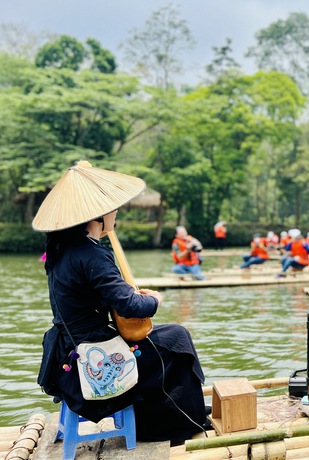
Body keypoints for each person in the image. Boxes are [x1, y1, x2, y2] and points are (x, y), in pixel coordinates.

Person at [32, 161, 208, 443]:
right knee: (177, 338)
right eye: (112, 209)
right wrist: (154, 300)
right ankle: (178, 421)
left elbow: (99, 295)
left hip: (66, 349)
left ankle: (179, 412)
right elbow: (130, 307)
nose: (116, 212)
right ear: (98, 216)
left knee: (168, 339)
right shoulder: (93, 254)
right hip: (94, 354)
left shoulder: (59, 251)